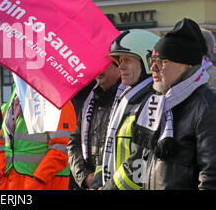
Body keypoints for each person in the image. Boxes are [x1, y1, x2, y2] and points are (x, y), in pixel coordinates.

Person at [133, 18, 216, 189]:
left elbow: (211, 176)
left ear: (186, 65)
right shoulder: (158, 103)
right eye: (152, 61)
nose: (153, 69)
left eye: (162, 62)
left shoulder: (207, 105)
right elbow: (139, 161)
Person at [92, 29, 159, 190]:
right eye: (119, 61)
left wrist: (109, 188)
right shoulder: (126, 100)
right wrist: (97, 184)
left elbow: (139, 162)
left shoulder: (153, 102)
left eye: (127, 60)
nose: (120, 67)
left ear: (147, 62)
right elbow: (108, 152)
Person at [0, 90, 76, 190]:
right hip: (11, 184)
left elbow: (62, 147)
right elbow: (2, 142)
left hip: (45, 185)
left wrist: (38, 180)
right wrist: (0, 175)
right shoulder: (15, 97)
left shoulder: (56, 99)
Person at [67, 62, 121, 189]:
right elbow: (74, 143)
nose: (98, 70)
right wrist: (85, 177)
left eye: (104, 64)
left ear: (119, 66)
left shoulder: (130, 100)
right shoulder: (90, 99)